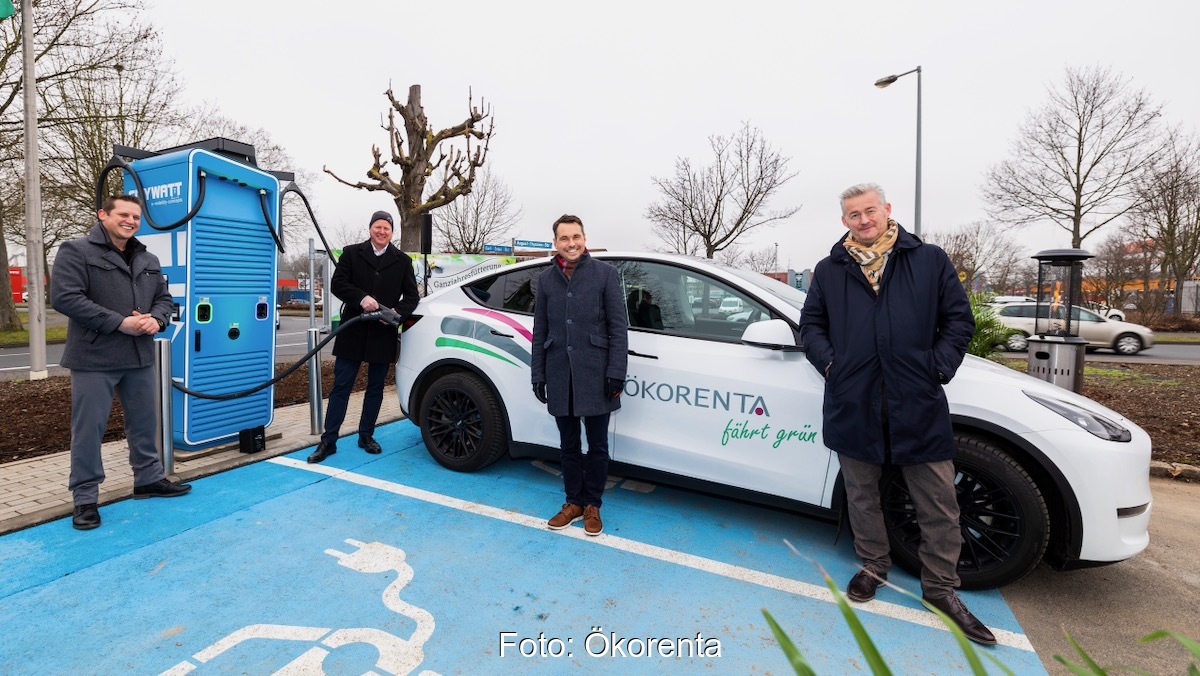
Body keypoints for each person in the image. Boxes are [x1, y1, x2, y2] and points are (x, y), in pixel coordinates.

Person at [798, 183, 994, 645]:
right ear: (844, 221)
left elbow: (958, 320)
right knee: (862, 496)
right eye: (853, 214)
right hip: (855, 401)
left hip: (916, 401)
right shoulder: (829, 270)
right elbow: (811, 326)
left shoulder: (928, 260)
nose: (863, 220)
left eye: (870, 211)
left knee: (939, 503)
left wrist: (937, 367)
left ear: (887, 211)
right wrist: (832, 365)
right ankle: (873, 566)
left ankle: (941, 589)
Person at [51, 194, 192, 531]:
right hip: (94, 357)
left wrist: (156, 321)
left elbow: (164, 299)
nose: (130, 221)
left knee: (145, 424)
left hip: (139, 356)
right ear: (103, 215)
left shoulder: (148, 257)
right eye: (123, 215)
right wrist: (120, 322)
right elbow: (65, 298)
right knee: (88, 430)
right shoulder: (77, 251)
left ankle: (148, 479)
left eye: (136, 217)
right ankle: (85, 498)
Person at [531, 214, 628, 536]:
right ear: (555, 243)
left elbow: (618, 328)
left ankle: (592, 505)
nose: (571, 243)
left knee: (597, 446)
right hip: (559, 373)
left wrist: (616, 373)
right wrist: (538, 374)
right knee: (568, 445)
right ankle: (573, 501)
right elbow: (540, 329)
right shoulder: (545, 279)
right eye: (564, 238)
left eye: (576, 237)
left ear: (584, 239)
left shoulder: (605, 275)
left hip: (596, 375)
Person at [307, 210, 420, 463]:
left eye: (387, 229)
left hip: (382, 332)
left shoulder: (402, 261)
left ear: (392, 232)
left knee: (376, 388)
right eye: (378, 227)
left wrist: (394, 313)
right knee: (341, 386)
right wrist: (361, 298)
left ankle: (366, 435)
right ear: (370, 229)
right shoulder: (351, 253)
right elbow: (338, 284)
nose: (382, 232)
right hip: (353, 330)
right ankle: (329, 441)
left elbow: (412, 297)